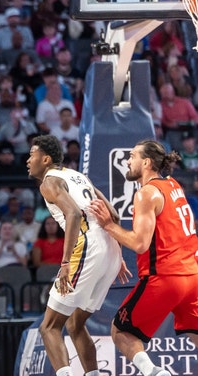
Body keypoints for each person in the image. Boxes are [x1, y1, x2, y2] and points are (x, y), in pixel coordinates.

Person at [89, 140, 198, 376]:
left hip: (166, 277)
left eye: (132, 156)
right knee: (196, 332)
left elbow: (140, 244)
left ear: (146, 162)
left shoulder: (146, 193)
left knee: (120, 331)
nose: (128, 160)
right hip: (192, 276)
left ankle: (155, 373)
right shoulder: (173, 184)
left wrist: (108, 225)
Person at [27, 135, 128, 376]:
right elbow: (113, 214)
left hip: (88, 248)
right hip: (110, 250)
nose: (28, 160)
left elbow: (73, 215)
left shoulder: (49, 182)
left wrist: (65, 263)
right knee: (75, 324)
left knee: (49, 327)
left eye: (32, 155)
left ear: (46, 158)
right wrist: (118, 256)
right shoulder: (79, 176)